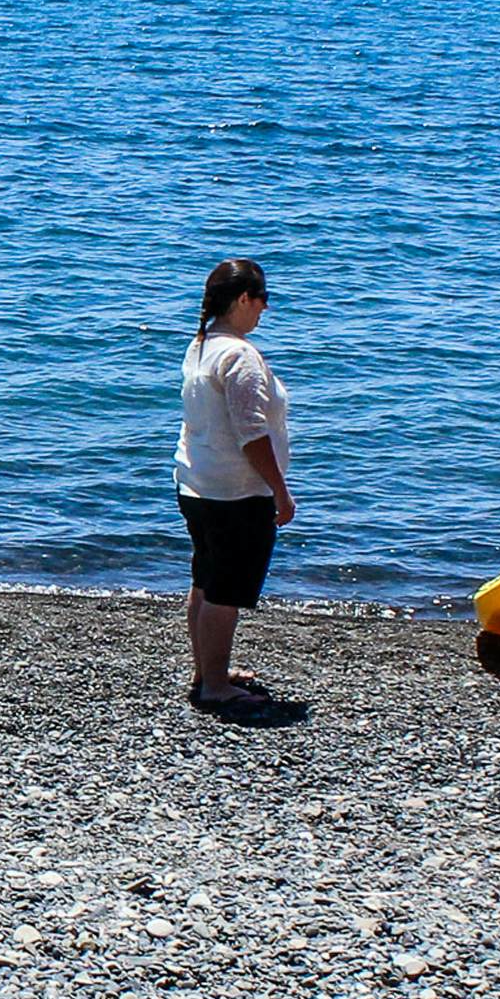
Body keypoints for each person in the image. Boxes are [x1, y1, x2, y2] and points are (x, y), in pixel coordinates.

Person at [176, 257, 292, 711]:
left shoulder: (201, 344)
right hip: (237, 492)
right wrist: (280, 490)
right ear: (243, 299)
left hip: (197, 482)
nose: (265, 308)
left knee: (206, 580)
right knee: (225, 591)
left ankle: (209, 670)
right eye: (262, 299)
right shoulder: (240, 356)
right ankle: (215, 687)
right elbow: (252, 435)